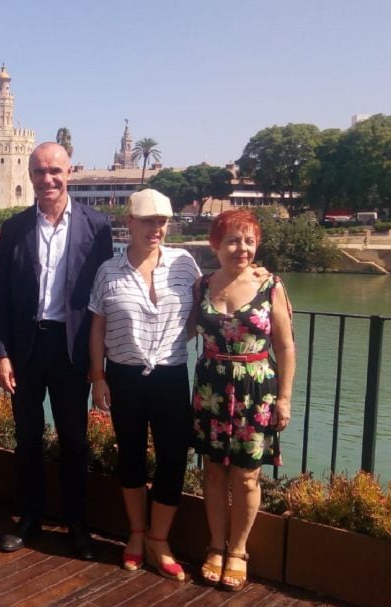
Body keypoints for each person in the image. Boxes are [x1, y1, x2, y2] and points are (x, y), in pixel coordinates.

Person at [0, 142, 113, 560]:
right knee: (27, 438)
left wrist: (98, 363)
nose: (48, 179)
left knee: (74, 441)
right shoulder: (14, 229)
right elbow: (1, 298)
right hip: (25, 348)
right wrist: (1, 352)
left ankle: (77, 524)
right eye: (40, 171)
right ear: (29, 174)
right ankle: (29, 518)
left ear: (69, 172)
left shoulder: (97, 227)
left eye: (55, 171)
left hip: (70, 348)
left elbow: (104, 297)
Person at [87, 189, 201, 580]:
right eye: (149, 220)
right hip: (124, 375)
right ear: (130, 223)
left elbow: (208, 305)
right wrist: (97, 377)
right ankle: (136, 534)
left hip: (170, 373)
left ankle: (159, 538)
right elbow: (97, 325)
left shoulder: (184, 265)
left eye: (163, 221)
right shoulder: (108, 271)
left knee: (173, 457)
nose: (157, 228)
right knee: (131, 455)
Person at [191, 208, 295, 591]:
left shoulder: (271, 286)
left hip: (256, 391)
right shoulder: (202, 286)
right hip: (212, 388)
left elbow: (285, 346)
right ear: (215, 244)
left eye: (249, 240)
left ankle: (238, 550)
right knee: (214, 471)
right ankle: (215, 546)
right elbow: (182, 330)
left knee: (248, 475)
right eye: (234, 240)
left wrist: (284, 398)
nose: (242, 248)